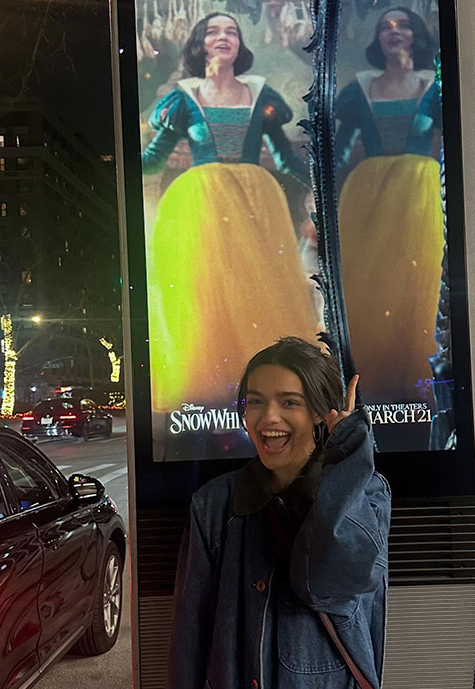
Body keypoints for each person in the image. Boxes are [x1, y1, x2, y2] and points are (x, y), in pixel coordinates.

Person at [167, 337, 391, 689]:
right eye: (255, 401)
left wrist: (346, 454)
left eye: (290, 402)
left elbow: (327, 582)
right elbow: (190, 637)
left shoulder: (368, 495)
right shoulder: (213, 505)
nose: (268, 417)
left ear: (319, 411)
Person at [142, 13, 320, 442]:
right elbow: (154, 157)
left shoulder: (261, 95)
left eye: (232, 31)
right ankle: (214, 396)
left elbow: (286, 160)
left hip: (257, 206)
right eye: (214, 31)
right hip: (200, 205)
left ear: (240, 44)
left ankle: (271, 391)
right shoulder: (183, 99)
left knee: (261, 290)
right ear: (200, 43)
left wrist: (323, 184)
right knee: (206, 295)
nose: (223, 37)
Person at [335, 6, 443, 408]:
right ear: (377, 40)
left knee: (419, 280)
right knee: (371, 287)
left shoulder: (435, 85)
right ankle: (372, 384)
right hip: (370, 195)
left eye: (401, 25)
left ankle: (417, 380)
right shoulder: (359, 88)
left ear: (415, 34)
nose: (393, 31)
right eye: (384, 26)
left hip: (420, 193)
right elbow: (340, 150)